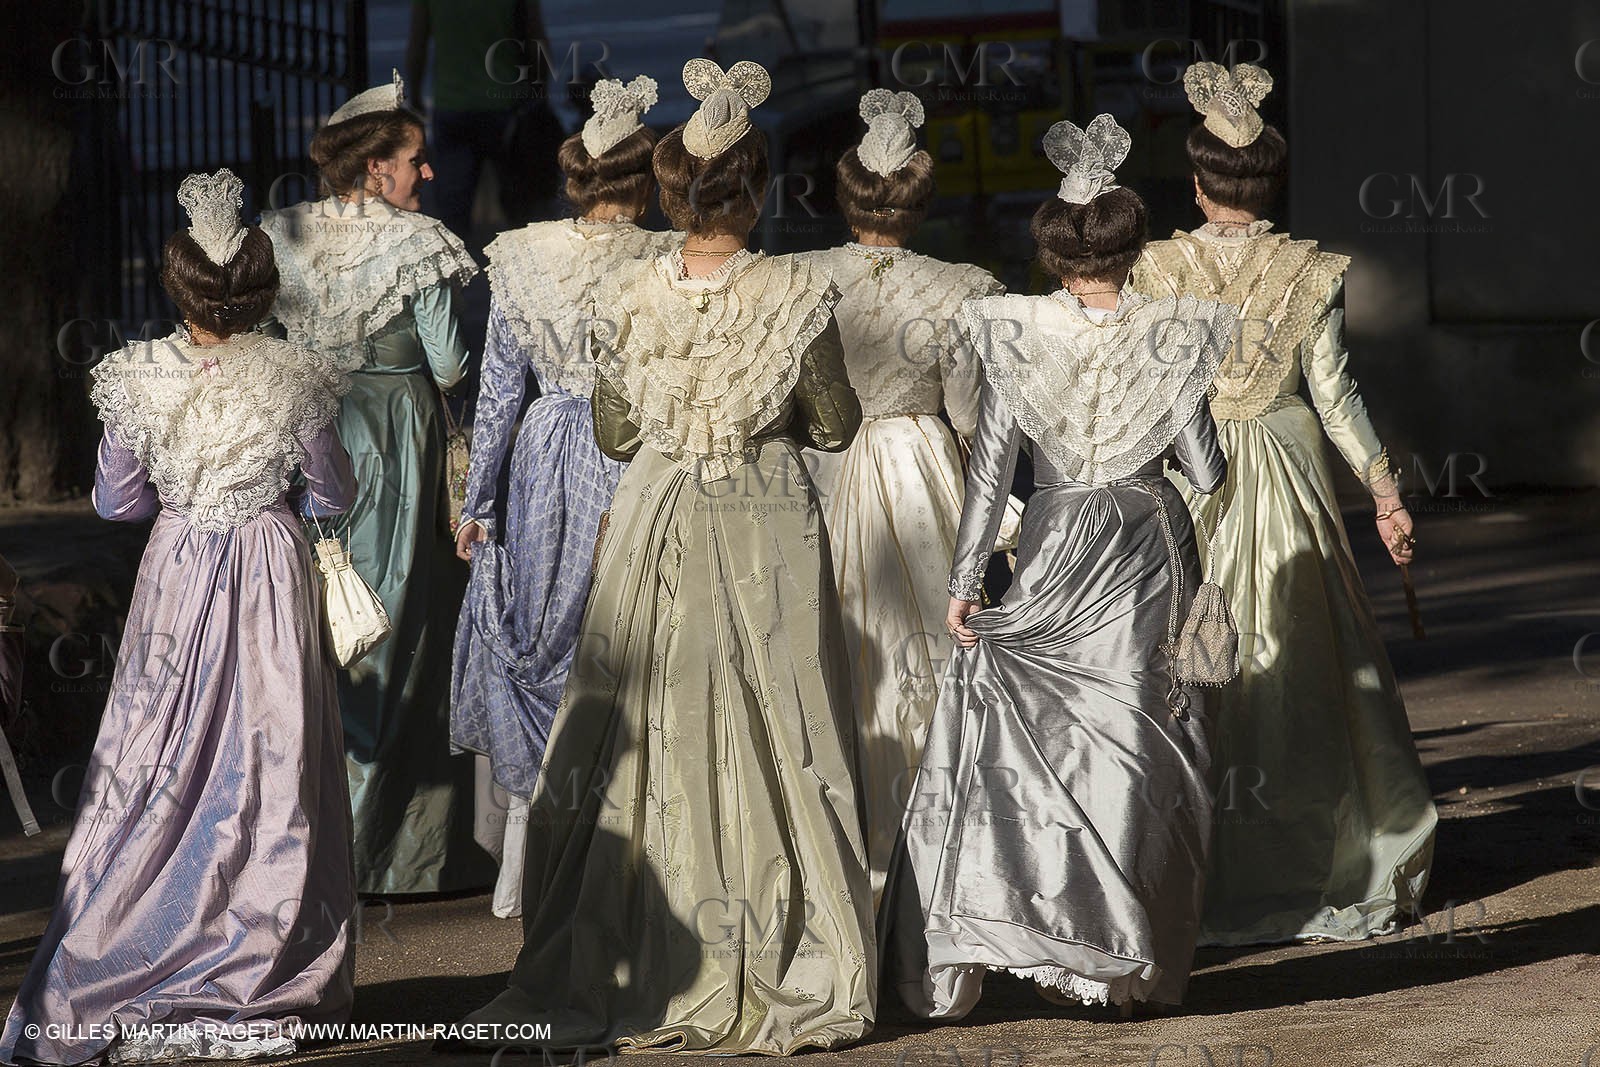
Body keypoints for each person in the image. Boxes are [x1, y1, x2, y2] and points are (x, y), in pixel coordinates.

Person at [460, 60, 875, 1054]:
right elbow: (832, 422)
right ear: (762, 188)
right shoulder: (798, 287)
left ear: (670, 191)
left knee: (645, 723)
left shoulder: (630, 292)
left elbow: (611, 428)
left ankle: (652, 942)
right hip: (767, 518)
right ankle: (788, 941)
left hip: (656, 513)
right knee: (780, 717)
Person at [0, 170, 356, 1065]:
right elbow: (331, 491)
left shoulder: (136, 373)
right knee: (268, 754)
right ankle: (256, 946)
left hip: (178, 569)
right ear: (263, 288)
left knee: (155, 747)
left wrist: (182, 489)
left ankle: (131, 934)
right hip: (269, 569)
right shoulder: (297, 374)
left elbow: (117, 503)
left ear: (179, 285)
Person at [886, 115, 1232, 1016]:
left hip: (1051, 543)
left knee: (1051, 737)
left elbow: (990, 468)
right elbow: (1206, 470)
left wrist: (967, 582)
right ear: (1133, 245)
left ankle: (1048, 922)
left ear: (1053, 252)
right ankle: (1124, 956)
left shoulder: (1016, 333)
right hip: (1144, 542)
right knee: (1143, 741)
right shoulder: (1173, 335)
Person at [1130, 63, 1437, 946]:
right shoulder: (1308, 269)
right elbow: (1334, 394)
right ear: (1272, 183)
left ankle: (1189, 864)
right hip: (1288, 466)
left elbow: (1147, 392)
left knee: (1192, 665)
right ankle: (1322, 856)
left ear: (1195, 182)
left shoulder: (1156, 265)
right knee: (1302, 663)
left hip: (1191, 476)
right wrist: (1385, 495)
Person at [451, 75, 678, 919]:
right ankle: (616, 858)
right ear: (642, 178)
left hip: (545, 454)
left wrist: (478, 499)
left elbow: (499, 393)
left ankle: (529, 861)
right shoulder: (663, 256)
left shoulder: (521, 253)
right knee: (620, 647)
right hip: (632, 455)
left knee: (553, 638)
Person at [261, 72, 492, 895]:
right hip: (392, 442)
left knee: (319, 624)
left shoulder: (283, 231)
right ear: (373, 171)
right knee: (396, 623)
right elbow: (452, 363)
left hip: (308, 437)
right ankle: (390, 851)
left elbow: (260, 335)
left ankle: (309, 843)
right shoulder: (417, 245)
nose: (427, 175)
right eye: (414, 161)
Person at [805, 89, 1004, 905]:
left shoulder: (803, 277)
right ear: (918, 200)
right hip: (922, 464)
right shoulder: (960, 287)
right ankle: (945, 856)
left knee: (849, 652)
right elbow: (967, 410)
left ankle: (860, 865)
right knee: (934, 646)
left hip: (835, 465)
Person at [405, 0, 563, 241]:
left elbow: (418, 43)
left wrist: (414, 94)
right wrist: (540, 93)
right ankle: (524, 260)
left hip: (452, 105)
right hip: (506, 105)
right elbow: (536, 39)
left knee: (453, 208)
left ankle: (454, 269)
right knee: (519, 203)